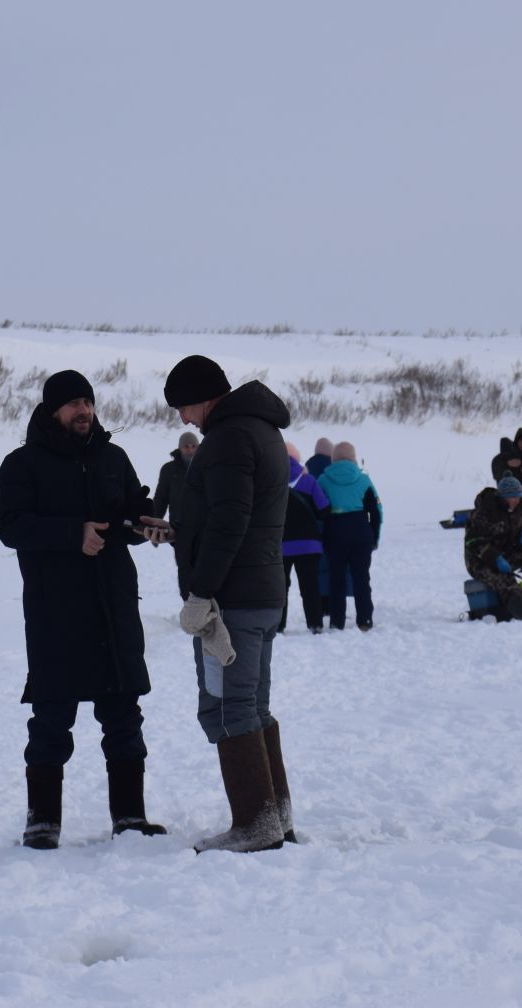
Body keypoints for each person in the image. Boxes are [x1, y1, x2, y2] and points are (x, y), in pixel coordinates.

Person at [0, 370, 166, 849]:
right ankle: (42, 822)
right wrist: (73, 534)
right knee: (50, 721)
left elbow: (129, 510)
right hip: (56, 613)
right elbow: (10, 526)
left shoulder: (112, 457)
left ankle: (130, 818)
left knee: (124, 717)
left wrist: (144, 523)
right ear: (52, 411)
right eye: (72, 404)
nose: (83, 410)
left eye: (87, 401)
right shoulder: (22, 464)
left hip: (112, 606)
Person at [165, 354, 295, 853]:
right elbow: (235, 515)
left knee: (229, 707)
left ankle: (256, 823)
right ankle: (275, 816)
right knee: (253, 705)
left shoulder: (228, 438)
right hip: (262, 591)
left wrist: (201, 592)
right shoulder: (262, 431)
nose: (184, 420)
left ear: (205, 396)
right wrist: (179, 532)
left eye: (184, 407)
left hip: (232, 600)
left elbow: (230, 523)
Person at [462, 476, 522, 621]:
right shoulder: (484, 513)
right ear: (503, 497)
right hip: (481, 561)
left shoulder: (514, 510)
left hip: (505, 555)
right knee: (506, 580)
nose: (516, 500)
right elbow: (474, 541)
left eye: (518, 497)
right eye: (512, 497)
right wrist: (495, 558)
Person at [317, 440, 383, 631]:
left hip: (335, 533)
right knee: (361, 577)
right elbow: (377, 511)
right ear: (354, 458)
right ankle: (364, 620)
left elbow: (319, 511)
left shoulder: (323, 480)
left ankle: (337, 622)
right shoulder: (364, 480)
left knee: (336, 578)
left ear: (333, 458)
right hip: (361, 532)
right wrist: (374, 537)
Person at [281, 442, 329, 633]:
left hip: (280, 545)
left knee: (280, 587)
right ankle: (315, 623)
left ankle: (278, 625)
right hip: (309, 544)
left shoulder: (270, 481)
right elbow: (324, 509)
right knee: (310, 586)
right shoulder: (309, 481)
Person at [151, 431, 197, 520]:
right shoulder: (169, 469)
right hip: (177, 525)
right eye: (186, 446)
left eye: (194, 446)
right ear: (180, 448)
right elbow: (160, 500)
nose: (190, 450)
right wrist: (154, 521)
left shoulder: (205, 467)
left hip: (203, 525)